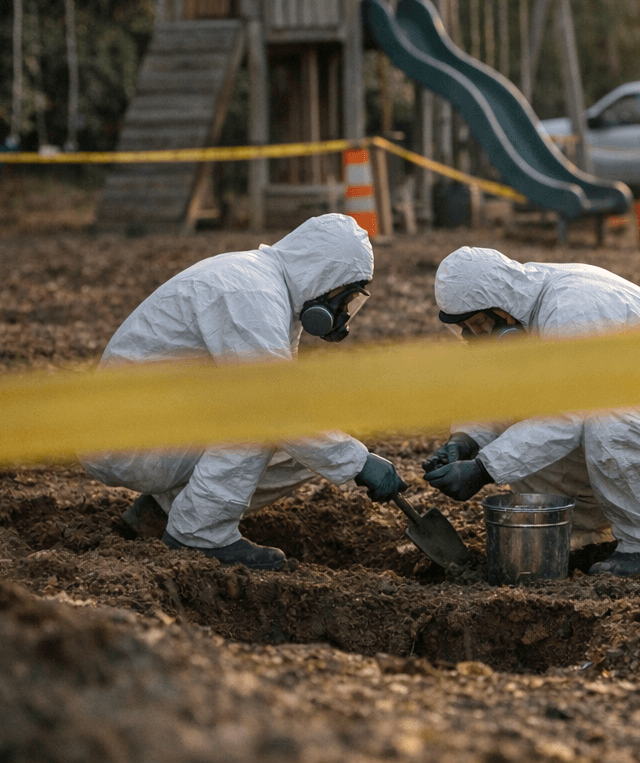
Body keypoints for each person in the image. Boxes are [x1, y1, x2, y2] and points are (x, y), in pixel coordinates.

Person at [81, 214, 406, 571]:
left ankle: (161, 512)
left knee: (301, 451)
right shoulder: (249, 292)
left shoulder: (272, 292)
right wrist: (359, 462)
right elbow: (274, 406)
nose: (342, 314)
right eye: (343, 299)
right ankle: (200, 535)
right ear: (322, 276)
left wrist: (343, 451)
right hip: (128, 438)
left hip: (149, 426)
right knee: (265, 417)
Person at [424, 247, 640, 576]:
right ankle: (587, 533)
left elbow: (567, 418)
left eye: (480, 324)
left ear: (504, 306)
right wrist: (466, 441)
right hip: (634, 414)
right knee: (524, 441)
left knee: (607, 425)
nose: (476, 336)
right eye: (468, 329)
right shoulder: (524, 309)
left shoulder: (574, 306)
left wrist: (482, 470)